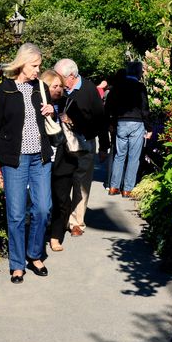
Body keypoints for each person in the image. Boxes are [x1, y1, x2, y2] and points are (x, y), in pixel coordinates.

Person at [0, 43, 57, 284]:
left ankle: (35, 254)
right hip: (14, 161)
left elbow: (51, 121)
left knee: (43, 208)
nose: (38, 70)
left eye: (39, 66)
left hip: (40, 158)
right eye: (34, 66)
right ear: (22, 64)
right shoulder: (3, 90)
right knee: (16, 214)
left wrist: (51, 111)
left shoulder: (41, 88)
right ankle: (18, 264)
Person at [53, 58, 109, 237]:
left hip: (84, 143)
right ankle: (59, 219)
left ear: (71, 76)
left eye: (60, 78)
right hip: (62, 143)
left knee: (81, 183)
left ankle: (77, 222)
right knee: (61, 181)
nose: (58, 82)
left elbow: (101, 119)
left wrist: (104, 146)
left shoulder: (89, 90)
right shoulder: (60, 90)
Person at [106, 60, 153, 197]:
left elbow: (110, 106)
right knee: (133, 157)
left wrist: (112, 123)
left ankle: (113, 187)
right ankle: (127, 189)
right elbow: (145, 109)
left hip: (121, 122)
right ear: (139, 73)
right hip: (137, 122)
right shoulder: (140, 87)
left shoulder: (118, 86)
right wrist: (149, 128)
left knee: (119, 156)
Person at [40, 69, 72, 252]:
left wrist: (64, 119)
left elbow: (80, 123)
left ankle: (55, 236)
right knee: (42, 202)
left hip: (63, 159)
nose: (59, 90)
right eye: (54, 86)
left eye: (61, 86)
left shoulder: (67, 103)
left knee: (61, 200)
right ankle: (40, 233)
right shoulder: (36, 103)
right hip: (42, 160)